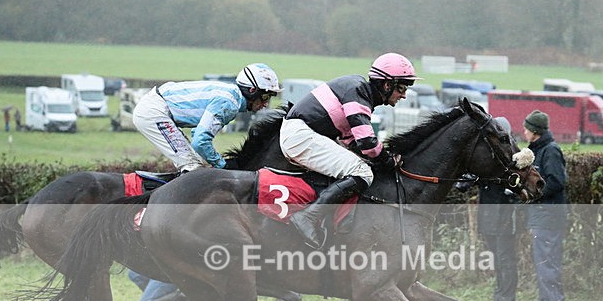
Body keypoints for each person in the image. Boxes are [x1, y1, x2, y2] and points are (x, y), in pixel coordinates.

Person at [280, 53, 419, 249]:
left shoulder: (359, 91)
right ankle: (308, 217)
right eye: (402, 88)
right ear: (387, 85)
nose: (404, 95)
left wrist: (377, 157)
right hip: (301, 136)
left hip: (303, 134)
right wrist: (387, 160)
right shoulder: (358, 91)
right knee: (362, 172)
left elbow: (351, 139)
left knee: (361, 167)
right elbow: (368, 143)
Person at [133, 63, 281, 172]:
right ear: (252, 90)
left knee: (196, 164)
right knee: (193, 167)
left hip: (156, 107)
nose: (266, 104)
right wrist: (223, 165)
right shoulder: (229, 103)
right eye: (265, 96)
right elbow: (199, 141)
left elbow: (197, 136)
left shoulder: (231, 95)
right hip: (154, 112)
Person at [522, 110, 569, 301]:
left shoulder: (550, 151)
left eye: (527, 129)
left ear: (535, 132)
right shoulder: (537, 150)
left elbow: (556, 182)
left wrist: (533, 194)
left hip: (549, 216)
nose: (524, 132)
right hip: (541, 215)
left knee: (547, 262)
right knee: (543, 262)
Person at [477, 117, 519, 301]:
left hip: (504, 216)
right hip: (489, 216)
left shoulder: (512, 157)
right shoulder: (489, 155)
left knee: (505, 262)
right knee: (498, 262)